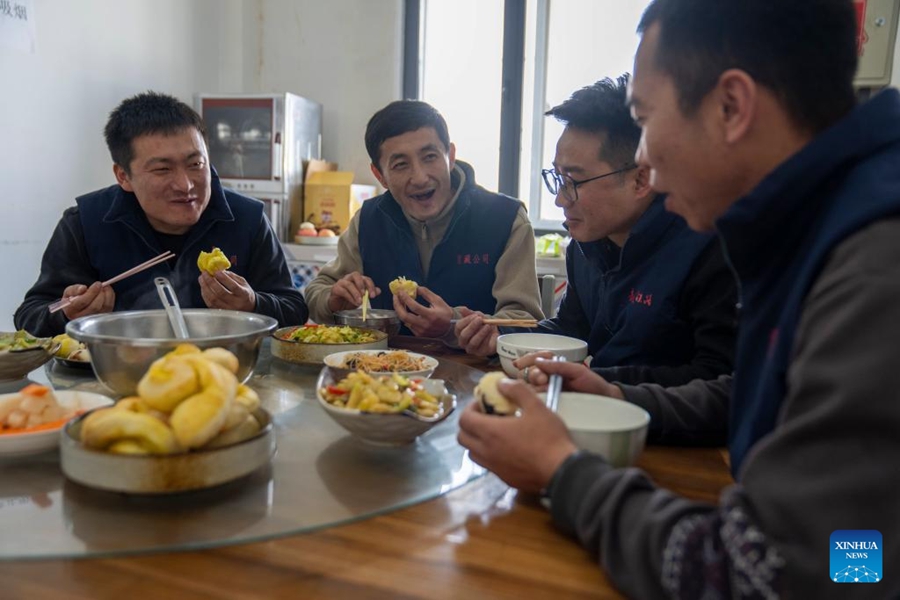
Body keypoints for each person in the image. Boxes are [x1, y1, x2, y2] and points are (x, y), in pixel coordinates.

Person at [458, 0, 900, 597]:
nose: (647, 166)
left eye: (646, 119)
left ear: (731, 107)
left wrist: (563, 472)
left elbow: (813, 573)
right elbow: (753, 396)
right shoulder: (814, 226)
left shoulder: (872, 264)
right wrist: (618, 392)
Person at [455, 76, 736, 387]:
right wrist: (501, 337)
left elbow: (719, 377)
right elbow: (572, 331)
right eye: (557, 178)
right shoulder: (585, 247)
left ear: (641, 180)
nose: (560, 199)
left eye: (574, 182)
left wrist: (602, 382)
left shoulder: (706, 248)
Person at [14, 91, 308, 337]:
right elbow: (29, 317)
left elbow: (294, 310)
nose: (186, 184)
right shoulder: (85, 222)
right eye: (162, 169)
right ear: (123, 176)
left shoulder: (247, 218)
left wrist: (252, 304)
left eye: (196, 164)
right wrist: (68, 314)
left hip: (225, 375)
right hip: (114, 378)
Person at [303, 100, 542, 341]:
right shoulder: (369, 220)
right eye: (400, 165)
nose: (419, 177)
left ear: (450, 156)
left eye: (430, 157)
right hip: (385, 372)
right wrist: (333, 299)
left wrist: (453, 324)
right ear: (380, 175)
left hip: (479, 373)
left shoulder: (505, 219)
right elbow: (316, 292)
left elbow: (525, 321)